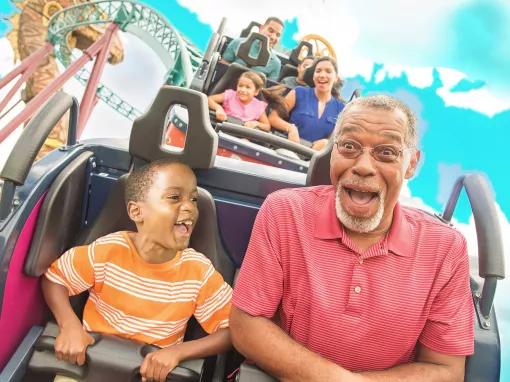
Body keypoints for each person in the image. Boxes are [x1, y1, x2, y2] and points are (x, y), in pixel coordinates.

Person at [230, 95, 474, 381]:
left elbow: (446, 369)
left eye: (386, 152)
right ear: (332, 152)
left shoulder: (445, 249)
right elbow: (246, 324)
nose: (363, 166)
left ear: (411, 164)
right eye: (349, 147)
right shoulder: (285, 211)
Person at [42, 160, 232, 382]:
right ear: (136, 211)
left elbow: (231, 330)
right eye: (174, 197)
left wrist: (178, 352)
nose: (190, 207)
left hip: (150, 373)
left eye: (193, 199)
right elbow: (55, 279)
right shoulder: (109, 250)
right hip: (89, 361)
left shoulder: (198, 272)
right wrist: (70, 326)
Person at [269, 56, 345, 151]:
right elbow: (273, 118)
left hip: (314, 159)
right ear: (313, 76)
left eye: (328, 71)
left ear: (336, 78)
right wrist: (290, 128)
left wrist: (327, 143)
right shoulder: (298, 92)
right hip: (287, 150)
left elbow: (338, 139)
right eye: (318, 71)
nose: (322, 75)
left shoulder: (341, 109)